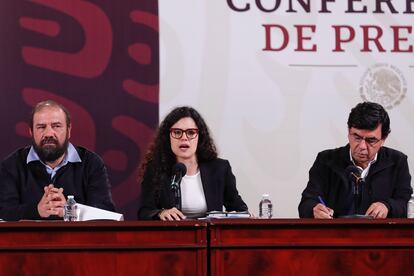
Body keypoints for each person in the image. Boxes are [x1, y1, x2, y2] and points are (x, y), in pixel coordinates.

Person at [0, 100, 116, 221]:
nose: (49, 133)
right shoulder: (11, 165)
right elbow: (3, 211)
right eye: (41, 127)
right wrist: (37, 210)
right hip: (29, 239)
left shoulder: (91, 163)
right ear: (31, 131)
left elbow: (106, 213)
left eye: (56, 126)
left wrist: (70, 210)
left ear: (69, 130)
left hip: (77, 239)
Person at [299, 102, 412, 219]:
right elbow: (306, 203)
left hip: (381, 235)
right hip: (336, 235)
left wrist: (387, 206)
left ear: (383, 139)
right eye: (357, 137)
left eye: (371, 140)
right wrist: (314, 209)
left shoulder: (397, 161)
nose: (362, 146)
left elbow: (405, 204)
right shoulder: (326, 160)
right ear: (348, 132)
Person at [137, 106, 248, 220]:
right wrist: (161, 213)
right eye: (177, 132)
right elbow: (144, 212)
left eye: (190, 132)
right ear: (168, 137)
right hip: (170, 236)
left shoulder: (219, 169)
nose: (184, 138)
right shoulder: (155, 169)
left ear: (199, 137)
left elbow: (240, 209)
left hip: (209, 236)